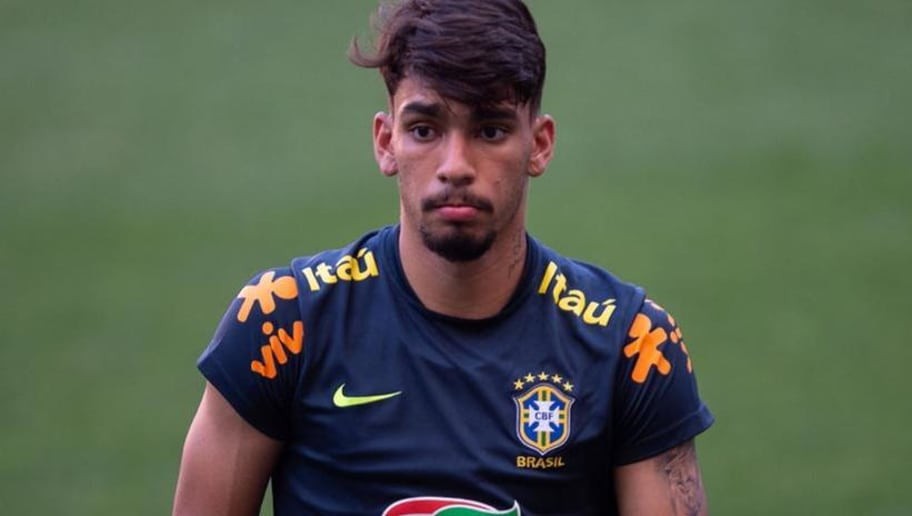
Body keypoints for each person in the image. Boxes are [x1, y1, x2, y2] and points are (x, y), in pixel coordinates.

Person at [173, 1, 714, 514]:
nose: (455, 165)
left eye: (490, 130)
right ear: (386, 142)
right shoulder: (281, 325)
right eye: (424, 130)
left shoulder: (631, 346)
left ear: (540, 144)